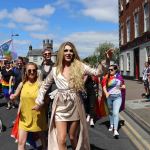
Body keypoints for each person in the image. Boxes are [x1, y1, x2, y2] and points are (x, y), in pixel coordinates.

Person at [33, 41, 113, 150]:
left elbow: (97, 72)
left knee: (72, 136)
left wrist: (107, 60)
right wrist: (39, 101)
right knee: (61, 139)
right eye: (65, 50)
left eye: (71, 51)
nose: (68, 53)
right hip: (60, 105)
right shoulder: (55, 69)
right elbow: (44, 86)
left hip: (75, 104)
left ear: (74, 53)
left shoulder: (80, 66)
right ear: (61, 52)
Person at [10, 62, 48, 150]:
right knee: (20, 142)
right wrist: (13, 96)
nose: (32, 72)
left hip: (38, 117)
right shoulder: (22, 84)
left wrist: (40, 105)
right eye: (29, 70)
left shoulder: (41, 84)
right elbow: (16, 95)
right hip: (24, 118)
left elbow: (47, 100)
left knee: (43, 140)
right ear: (26, 72)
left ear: (36, 71)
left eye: (34, 70)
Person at [102, 64, 126, 139]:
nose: (110, 71)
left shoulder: (119, 77)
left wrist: (121, 87)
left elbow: (123, 86)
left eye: (111, 70)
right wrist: (106, 93)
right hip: (109, 97)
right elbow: (104, 86)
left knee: (115, 113)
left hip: (118, 97)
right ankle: (111, 124)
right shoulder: (107, 77)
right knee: (111, 112)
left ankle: (115, 130)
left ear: (115, 70)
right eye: (109, 70)